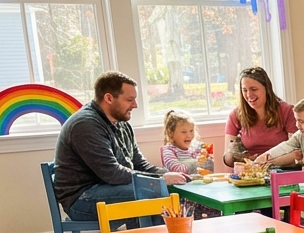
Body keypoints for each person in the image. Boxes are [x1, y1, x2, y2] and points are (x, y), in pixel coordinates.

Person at [53, 71, 187, 225]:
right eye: (130, 100)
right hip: (82, 199)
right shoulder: (85, 125)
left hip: (110, 189)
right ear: (109, 98)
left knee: (168, 189)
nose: (135, 105)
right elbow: (112, 173)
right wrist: (160, 180)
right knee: (153, 192)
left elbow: (140, 164)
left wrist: (170, 174)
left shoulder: (122, 124)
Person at [222, 66, 295, 166]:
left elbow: (297, 153)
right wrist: (236, 155)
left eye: (254, 89)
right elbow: (227, 158)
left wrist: (266, 163)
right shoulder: (235, 115)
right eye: (245, 90)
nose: (249, 95)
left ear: (267, 89)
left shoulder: (287, 111)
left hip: (281, 169)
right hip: (249, 172)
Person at [160, 109, 208, 176]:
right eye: (184, 132)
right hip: (178, 185)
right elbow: (176, 170)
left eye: (191, 131)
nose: (189, 135)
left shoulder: (196, 147)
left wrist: (207, 159)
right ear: (171, 133)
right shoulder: (169, 151)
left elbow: (207, 168)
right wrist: (197, 163)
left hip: (196, 184)